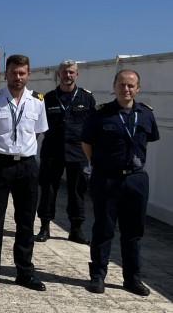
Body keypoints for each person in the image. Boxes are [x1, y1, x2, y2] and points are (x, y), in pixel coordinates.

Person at [0, 54, 48, 292]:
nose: (18, 77)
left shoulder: (37, 101)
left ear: (28, 74)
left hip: (27, 167)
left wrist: (20, 151)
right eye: (14, 72)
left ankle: (24, 272)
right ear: (6, 73)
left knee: (25, 221)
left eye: (22, 73)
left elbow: (37, 133)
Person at [82, 69, 159, 296]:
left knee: (133, 232)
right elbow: (86, 143)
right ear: (114, 86)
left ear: (138, 88)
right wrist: (99, 164)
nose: (126, 89)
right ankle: (98, 276)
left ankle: (132, 279)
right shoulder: (101, 114)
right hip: (107, 178)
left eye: (131, 86)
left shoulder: (146, 114)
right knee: (104, 229)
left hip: (136, 180)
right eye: (121, 85)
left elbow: (149, 141)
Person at [35, 60, 95, 244]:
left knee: (77, 191)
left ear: (77, 75)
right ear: (58, 74)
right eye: (64, 72)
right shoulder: (48, 98)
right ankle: (45, 227)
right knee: (48, 189)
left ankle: (76, 230)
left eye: (71, 72)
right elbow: (39, 125)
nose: (67, 75)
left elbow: (93, 127)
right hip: (52, 152)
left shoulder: (87, 98)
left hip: (78, 152)